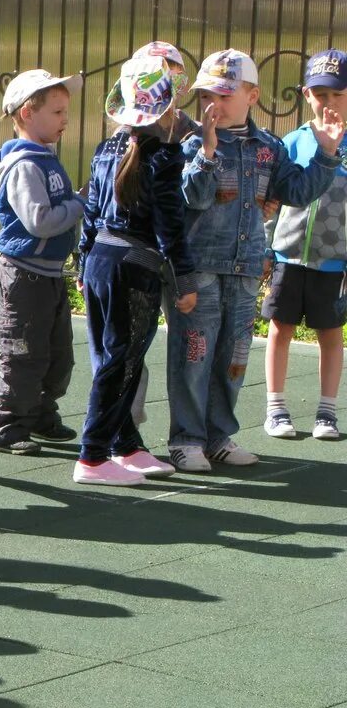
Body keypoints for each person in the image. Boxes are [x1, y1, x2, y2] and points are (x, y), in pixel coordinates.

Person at [173, 49, 343, 471]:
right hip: (203, 268)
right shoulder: (194, 142)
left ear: (252, 96)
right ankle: (186, 439)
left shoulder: (269, 147)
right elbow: (190, 198)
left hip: (245, 269)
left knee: (233, 357)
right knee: (195, 354)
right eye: (207, 94)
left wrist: (325, 153)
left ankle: (218, 437)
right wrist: (208, 153)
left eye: (225, 94)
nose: (213, 103)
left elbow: (297, 192)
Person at [75, 55, 198, 486]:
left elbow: (91, 212)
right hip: (134, 267)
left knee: (119, 357)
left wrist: (81, 258)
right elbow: (171, 226)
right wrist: (185, 281)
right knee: (122, 360)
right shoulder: (164, 157)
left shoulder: (105, 148)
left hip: (100, 262)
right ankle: (92, 455)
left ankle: (122, 444)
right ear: (166, 109)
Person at [0, 69, 85, 456]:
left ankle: (41, 412)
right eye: (57, 112)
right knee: (23, 354)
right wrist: (78, 204)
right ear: (27, 112)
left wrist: (73, 202)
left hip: (48, 276)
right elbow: (39, 221)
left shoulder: (46, 158)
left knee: (59, 354)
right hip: (23, 277)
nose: (65, 120)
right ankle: (5, 424)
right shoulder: (25, 165)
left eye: (65, 112)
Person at [264, 49, 347, 442]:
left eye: (336, 94)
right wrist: (265, 249)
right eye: (319, 94)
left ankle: (326, 413)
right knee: (280, 328)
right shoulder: (292, 142)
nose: (327, 102)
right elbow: (272, 201)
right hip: (287, 256)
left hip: (334, 264)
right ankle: (276, 408)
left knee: (330, 334)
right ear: (305, 94)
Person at [125, 41, 200, 427]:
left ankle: (188, 431)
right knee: (132, 341)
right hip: (140, 254)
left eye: (170, 72)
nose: (163, 81)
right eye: (153, 73)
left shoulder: (195, 131)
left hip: (184, 253)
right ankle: (128, 426)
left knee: (189, 343)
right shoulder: (129, 132)